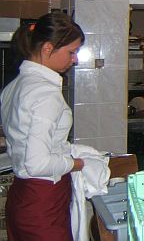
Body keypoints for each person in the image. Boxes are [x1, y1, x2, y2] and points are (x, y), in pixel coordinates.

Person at [0, 12, 86, 240]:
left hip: (22, 197)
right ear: (48, 48)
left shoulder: (14, 86)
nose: (75, 60)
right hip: (43, 200)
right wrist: (77, 163)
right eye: (71, 52)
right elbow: (37, 164)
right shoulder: (45, 93)